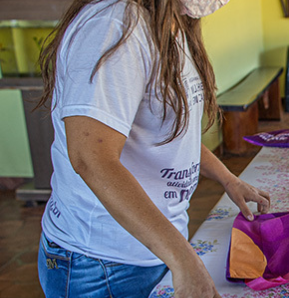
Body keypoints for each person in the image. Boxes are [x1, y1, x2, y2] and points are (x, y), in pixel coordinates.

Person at [36, 0, 271, 297]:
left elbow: (168, 135)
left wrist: (228, 179)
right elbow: (91, 157)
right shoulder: (115, 24)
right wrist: (183, 260)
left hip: (154, 247)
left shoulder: (172, 25)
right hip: (102, 262)